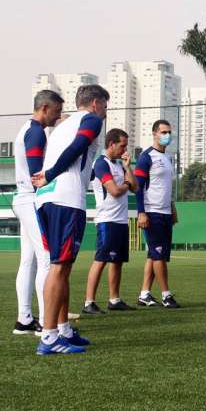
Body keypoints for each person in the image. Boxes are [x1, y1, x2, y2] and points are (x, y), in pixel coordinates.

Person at [30, 84, 107, 355]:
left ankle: (62, 328)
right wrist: (51, 173)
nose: (105, 112)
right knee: (59, 267)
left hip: (46, 199)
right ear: (96, 103)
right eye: (105, 106)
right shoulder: (92, 120)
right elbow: (77, 147)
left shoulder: (62, 124)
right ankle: (49, 336)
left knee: (60, 267)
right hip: (65, 197)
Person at [11, 89, 64, 335]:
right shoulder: (35, 133)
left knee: (28, 260)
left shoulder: (27, 129)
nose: (58, 116)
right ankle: (45, 321)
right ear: (44, 108)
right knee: (46, 259)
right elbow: (37, 174)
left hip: (23, 199)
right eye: (56, 111)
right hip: (31, 200)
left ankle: (24, 319)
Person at [83, 128, 137, 314]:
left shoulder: (120, 164)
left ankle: (114, 299)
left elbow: (135, 187)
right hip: (107, 220)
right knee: (101, 260)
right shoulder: (101, 164)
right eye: (122, 145)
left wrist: (128, 167)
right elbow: (114, 191)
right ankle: (89, 302)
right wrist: (127, 185)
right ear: (111, 144)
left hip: (121, 220)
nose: (124, 149)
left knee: (117, 261)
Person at [135, 120, 180, 309]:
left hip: (165, 212)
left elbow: (166, 187)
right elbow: (138, 187)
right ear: (154, 133)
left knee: (154, 255)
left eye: (169, 132)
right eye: (163, 132)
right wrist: (141, 212)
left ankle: (144, 294)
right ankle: (166, 295)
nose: (166, 135)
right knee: (159, 256)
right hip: (151, 212)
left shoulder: (167, 158)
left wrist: (172, 208)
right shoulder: (146, 157)